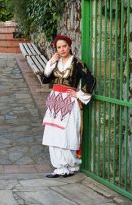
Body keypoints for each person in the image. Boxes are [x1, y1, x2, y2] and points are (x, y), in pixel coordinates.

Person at [41, 34, 95, 178]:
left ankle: (70, 165)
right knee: (53, 134)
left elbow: (91, 80)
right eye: (59, 47)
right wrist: (51, 62)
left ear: (69, 46)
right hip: (55, 101)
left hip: (70, 102)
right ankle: (59, 167)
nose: (62, 49)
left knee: (67, 134)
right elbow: (45, 79)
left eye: (64, 46)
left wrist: (78, 94)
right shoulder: (56, 62)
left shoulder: (77, 63)